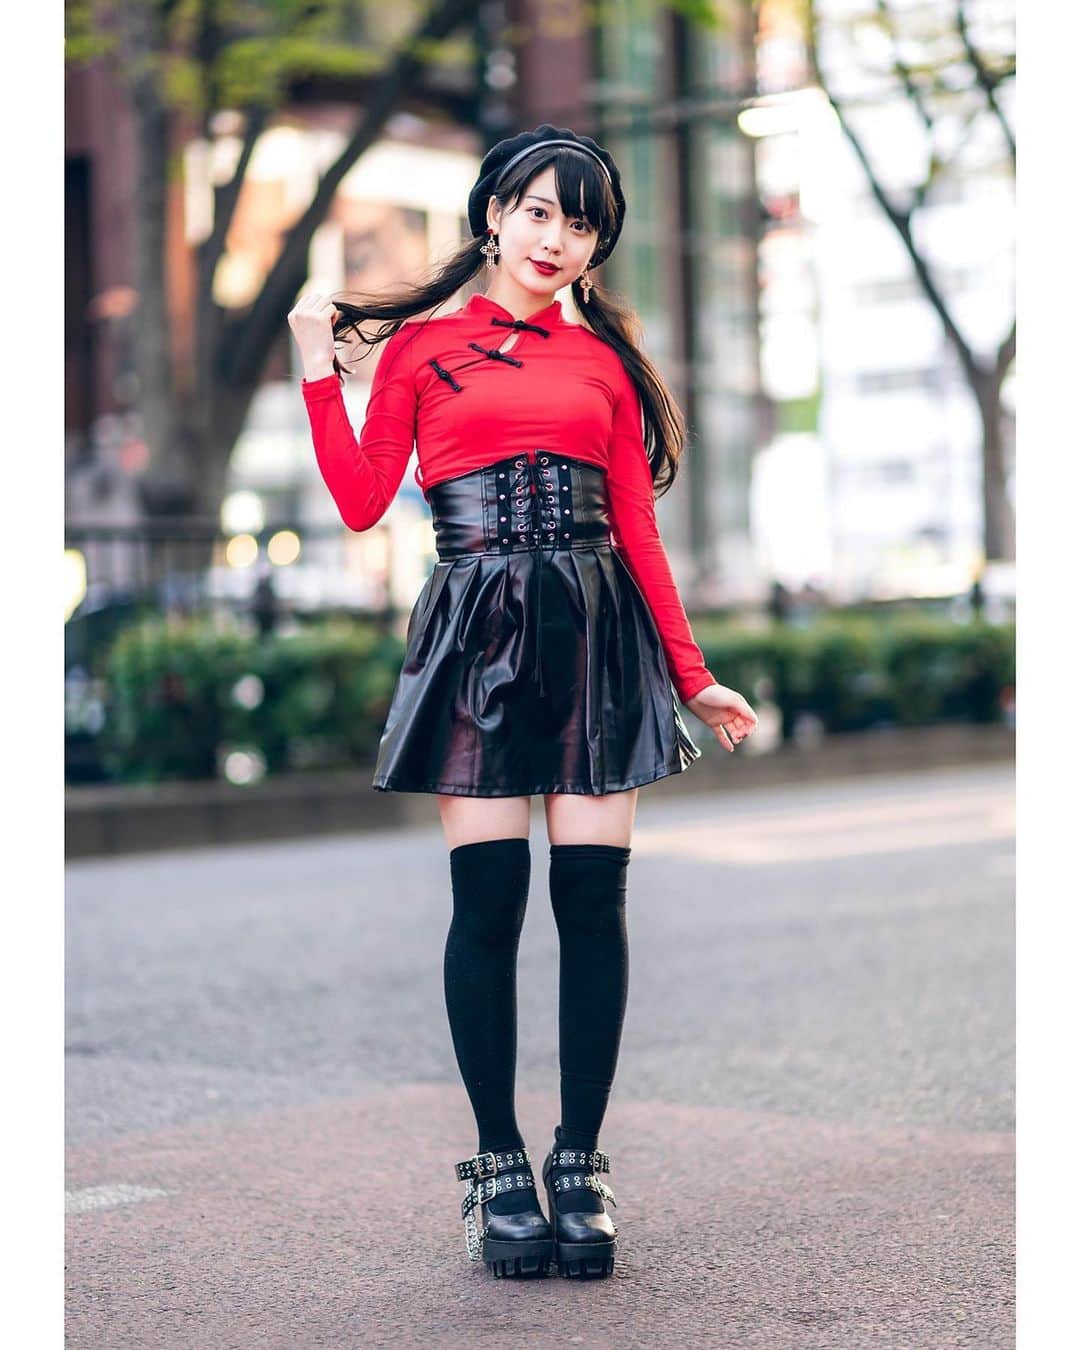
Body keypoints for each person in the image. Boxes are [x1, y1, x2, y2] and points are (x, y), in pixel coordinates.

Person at [288, 124, 758, 1281]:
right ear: (493, 213)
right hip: (476, 636)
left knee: (592, 904)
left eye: (582, 220)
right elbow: (357, 504)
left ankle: (581, 1164)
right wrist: (316, 364)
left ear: (597, 244)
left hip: (598, 637)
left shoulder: (604, 362)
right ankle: (499, 1165)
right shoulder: (418, 352)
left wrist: (693, 676)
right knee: (488, 909)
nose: (557, 237)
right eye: (538, 210)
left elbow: (639, 531)